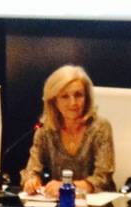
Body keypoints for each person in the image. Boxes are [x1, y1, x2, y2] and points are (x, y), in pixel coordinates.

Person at [21, 65, 116, 197]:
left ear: (87, 97)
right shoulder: (45, 130)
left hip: (98, 206)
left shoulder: (100, 128)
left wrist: (68, 186)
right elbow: (32, 169)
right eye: (65, 96)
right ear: (54, 101)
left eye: (78, 95)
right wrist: (31, 181)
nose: (73, 103)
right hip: (60, 205)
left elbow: (103, 179)